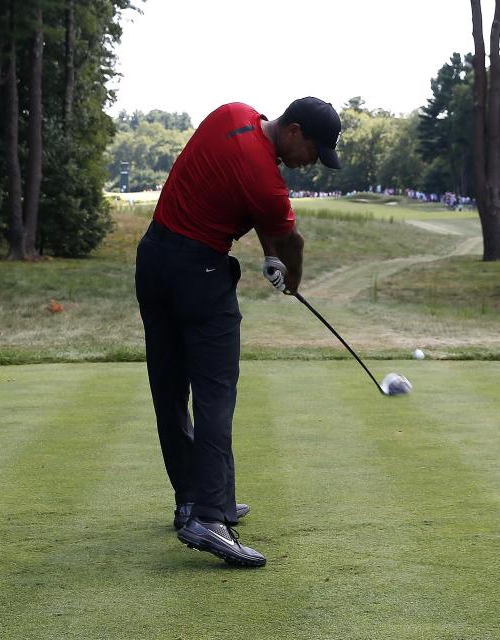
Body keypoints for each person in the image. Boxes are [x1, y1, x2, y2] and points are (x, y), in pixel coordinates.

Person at [134, 97, 342, 567]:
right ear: (292, 131)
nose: (311, 163)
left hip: (153, 260)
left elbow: (249, 206)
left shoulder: (233, 114)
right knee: (215, 394)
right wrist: (291, 279)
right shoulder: (268, 182)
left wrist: (268, 253)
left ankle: (193, 499)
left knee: (169, 389)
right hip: (200, 276)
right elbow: (291, 239)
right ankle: (209, 516)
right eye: (314, 150)